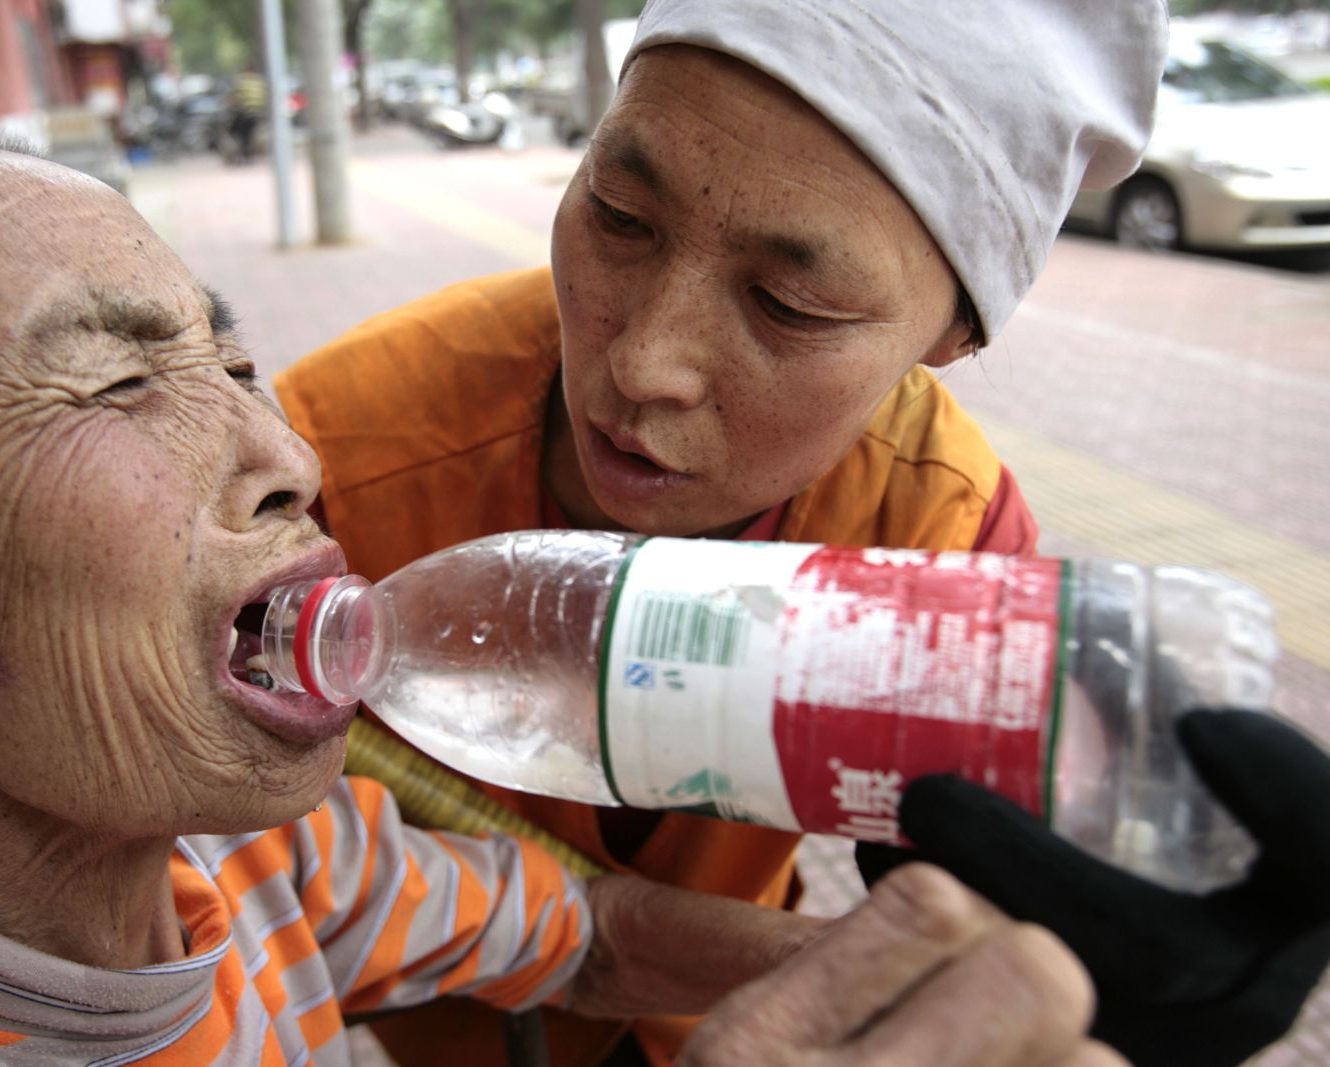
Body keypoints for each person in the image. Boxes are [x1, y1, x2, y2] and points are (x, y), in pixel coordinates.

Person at [0, 131, 1128, 1067]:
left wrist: (917, 987)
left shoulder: (254, 859)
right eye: (112, 381)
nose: (292, 456)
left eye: (235, 366)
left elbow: (590, 934)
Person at [272, 1, 1330, 1065]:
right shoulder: (329, 461)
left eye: (791, 303)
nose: (644, 361)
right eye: (619, 215)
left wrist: (1098, 939)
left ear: (954, 332)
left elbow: (990, 897)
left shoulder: (935, 531)